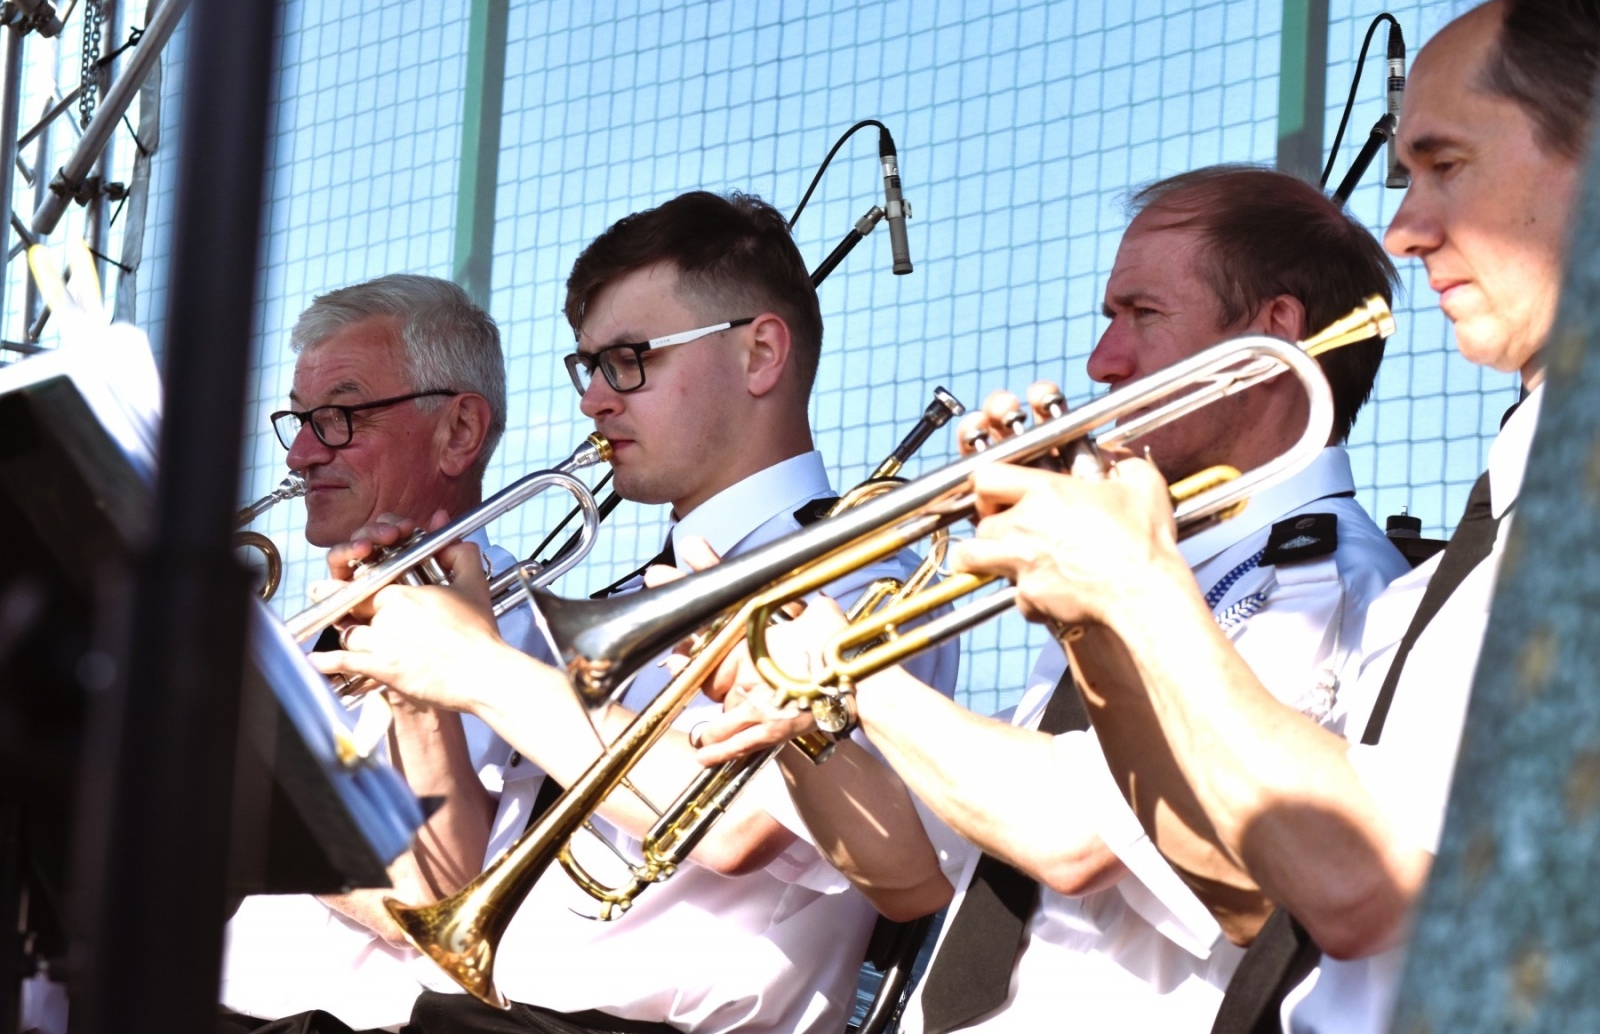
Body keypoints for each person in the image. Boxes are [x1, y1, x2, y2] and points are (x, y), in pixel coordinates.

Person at [904, 0, 1599, 1031]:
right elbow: (1246, 879)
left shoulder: (1332, 572)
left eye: (1444, 163)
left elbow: (1356, 880)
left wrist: (1132, 594)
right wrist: (1102, 612)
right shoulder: (1479, 536)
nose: (1407, 229)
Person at [696, 163, 1411, 1033]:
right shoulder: (1147, 562)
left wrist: (853, 678)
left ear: (1272, 335)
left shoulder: (1324, 584)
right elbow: (923, 862)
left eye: (1142, 315)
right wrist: (803, 717)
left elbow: (1075, 835)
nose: (1101, 361)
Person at [316, 190, 959, 1034]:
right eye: (590, 368)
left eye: (629, 360)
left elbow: (736, 825)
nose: (594, 400)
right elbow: (464, 874)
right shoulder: (624, 598)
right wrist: (422, 690)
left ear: (760, 353)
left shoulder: (861, 580)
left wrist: (479, 665)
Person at [219, 273, 549, 1030]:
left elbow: (435, 897)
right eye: (299, 420)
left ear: (460, 431)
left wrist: (237, 793)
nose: (301, 454)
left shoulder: (523, 649)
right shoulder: (289, 637)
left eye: (337, 417)